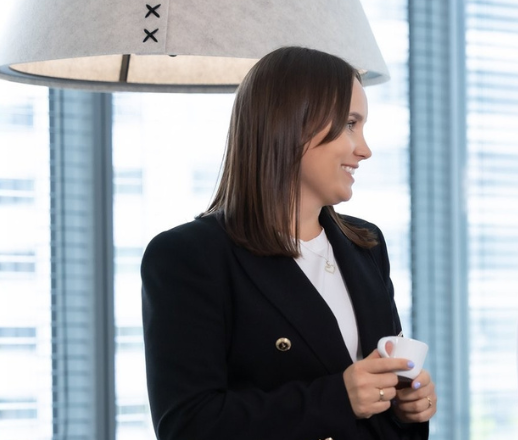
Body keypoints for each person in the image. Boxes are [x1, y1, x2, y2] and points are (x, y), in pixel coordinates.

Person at [140, 46, 435, 440]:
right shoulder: (188, 256)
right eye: (350, 123)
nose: (364, 149)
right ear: (293, 124)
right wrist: (338, 399)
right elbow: (188, 425)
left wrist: (407, 407)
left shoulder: (367, 244)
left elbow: (381, 394)